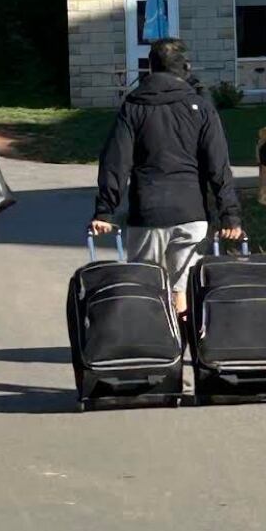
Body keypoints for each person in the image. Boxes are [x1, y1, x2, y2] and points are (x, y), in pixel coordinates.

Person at [90, 38, 243, 322]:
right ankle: (182, 344)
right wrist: (230, 215)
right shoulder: (200, 106)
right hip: (191, 210)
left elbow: (116, 161)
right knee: (183, 287)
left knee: (145, 286)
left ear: (150, 67)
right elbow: (218, 165)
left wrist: (105, 210)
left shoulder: (133, 106)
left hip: (147, 212)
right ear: (185, 68)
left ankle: (154, 343)